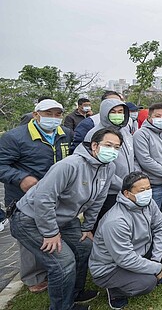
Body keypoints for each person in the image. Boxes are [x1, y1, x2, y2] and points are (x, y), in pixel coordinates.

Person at [10, 127, 122, 310]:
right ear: (94, 145)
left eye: (117, 147)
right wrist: (50, 232)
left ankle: (74, 293)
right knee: (63, 262)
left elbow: (98, 199)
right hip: (29, 219)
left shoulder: (108, 168)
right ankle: (62, 307)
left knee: (85, 247)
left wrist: (87, 227)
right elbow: (43, 198)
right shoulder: (70, 165)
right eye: (108, 145)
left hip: (64, 219)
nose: (113, 150)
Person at [0, 99, 71, 293]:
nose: (54, 119)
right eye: (49, 114)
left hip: (55, 195)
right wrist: (20, 177)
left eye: (58, 114)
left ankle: (51, 268)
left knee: (50, 230)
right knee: (29, 236)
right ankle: (33, 278)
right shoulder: (14, 137)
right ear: (36, 114)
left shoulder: (65, 135)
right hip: (23, 196)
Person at [89, 171, 162, 310]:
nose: (147, 193)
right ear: (126, 193)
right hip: (110, 267)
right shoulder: (116, 221)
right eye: (141, 190)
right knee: (147, 283)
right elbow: (124, 259)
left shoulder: (148, 203)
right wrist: (157, 267)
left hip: (137, 253)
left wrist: (155, 260)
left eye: (148, 188)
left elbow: (161, 226)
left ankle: (152, 274)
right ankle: (115, 291)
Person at [83, 99, 135, 230]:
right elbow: (97, 168)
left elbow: (131, 157)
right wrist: (123, 185)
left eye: (120, 112)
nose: (117, 115)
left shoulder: (125, 132)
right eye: (113, 112)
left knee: (120, 225)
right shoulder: (95, 134)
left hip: (125, 189)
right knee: (104, 225)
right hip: (107, 191)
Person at [133, 103, 162, 229]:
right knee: (152, 217)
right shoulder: (141, 134)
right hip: (153, 185)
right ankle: (151, 245)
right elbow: (145, 160)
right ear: (149, 117)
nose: (161, 118)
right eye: (157, 116)